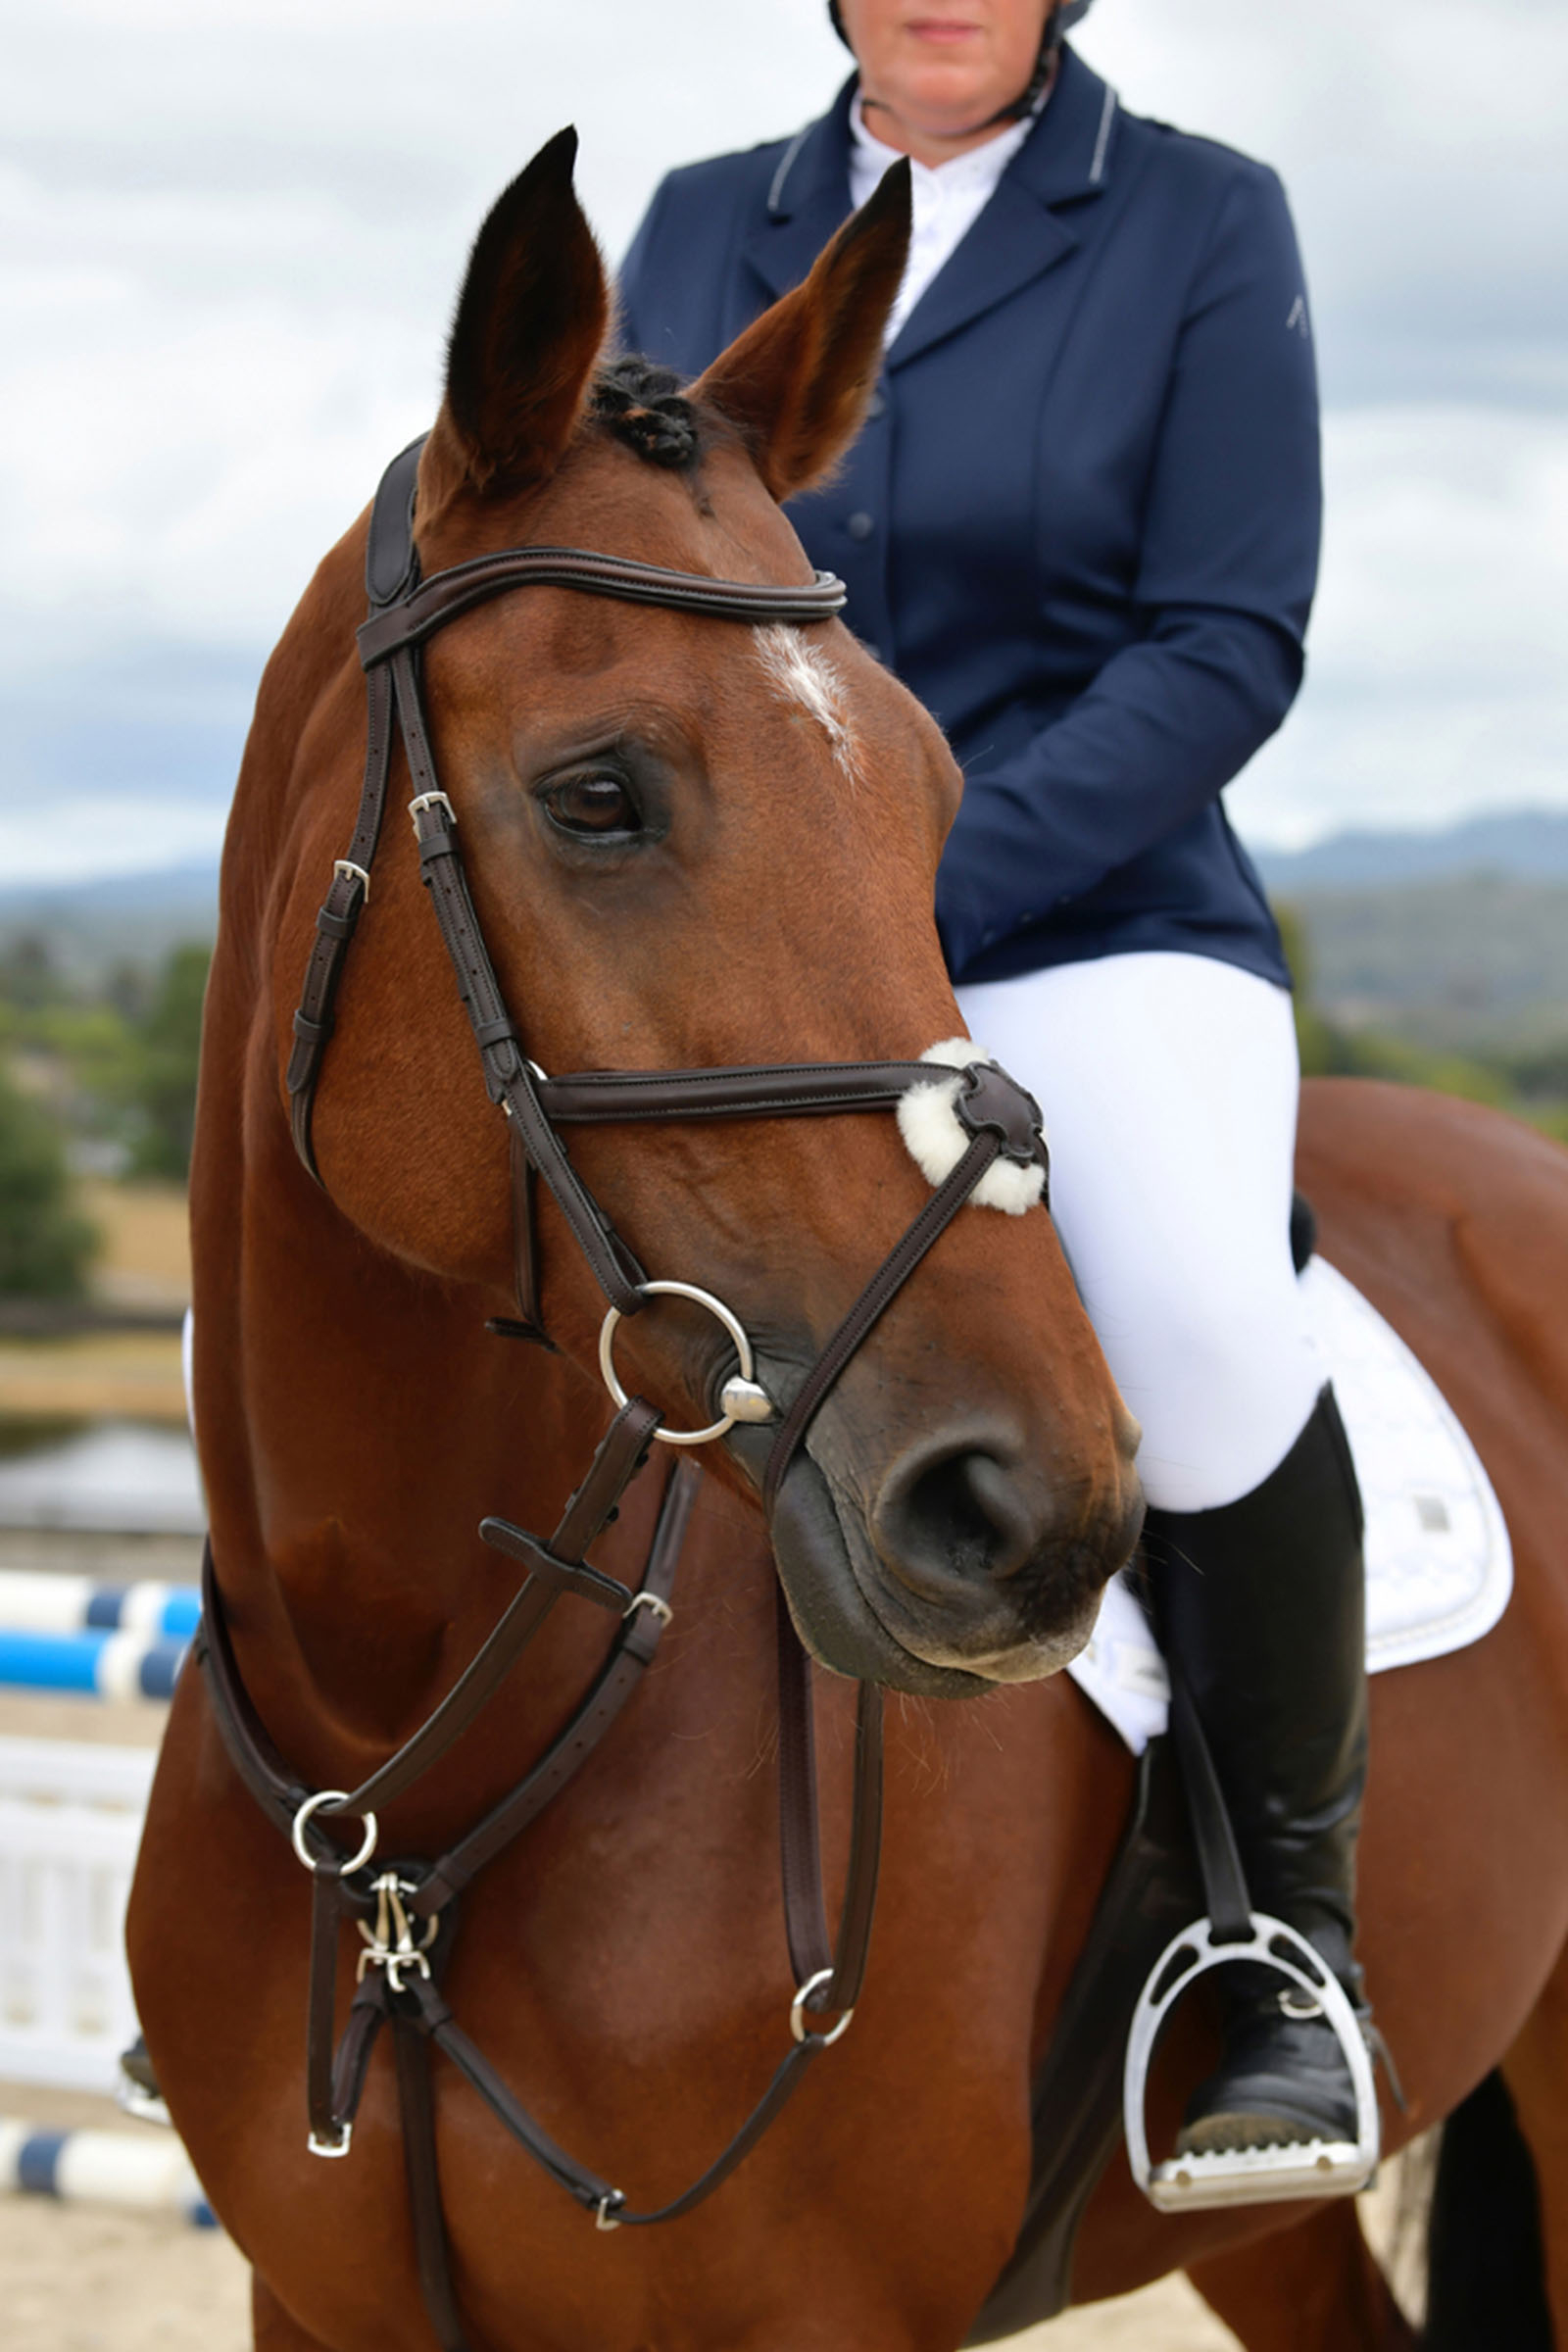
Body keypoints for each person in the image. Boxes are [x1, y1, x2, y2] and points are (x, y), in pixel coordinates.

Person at [618, 0, 1372, 2165]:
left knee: (1209, 1330)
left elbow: (1222, 638)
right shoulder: (694, 228)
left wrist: (925, 875)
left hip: (1088, 919)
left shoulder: (1197, 223)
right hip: (739, 951)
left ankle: (1276, 1952)